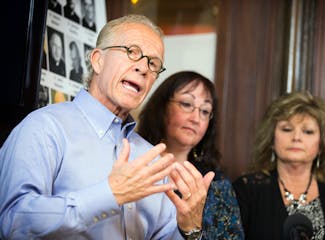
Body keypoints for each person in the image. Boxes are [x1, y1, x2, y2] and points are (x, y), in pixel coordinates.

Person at [0, 14, 214, 239]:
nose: (143, 68)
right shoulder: (44, 128)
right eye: (132, 52)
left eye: (153, 63)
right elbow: (13, 221)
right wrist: (109, 195)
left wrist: (190, 229)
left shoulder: (152, 160)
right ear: (97, 60)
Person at [232, 91, 325, 240]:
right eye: (287, 129)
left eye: (307, 131)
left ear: (321, 144)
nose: (296, 137)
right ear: (271, 139)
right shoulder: (246, 190)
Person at [138, 71, 245, 239]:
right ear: (162, 107)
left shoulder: (216, 183)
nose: (196, 118)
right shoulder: (134, 160)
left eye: (205, 111)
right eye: (187, 104)